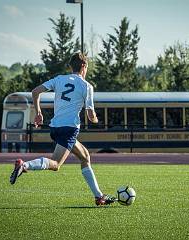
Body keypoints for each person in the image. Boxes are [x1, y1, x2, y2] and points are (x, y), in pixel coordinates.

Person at [9, 52, 116, 206]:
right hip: (69, 129)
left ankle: (99, 196)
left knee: (85, 157)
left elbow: (35, 92)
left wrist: (38, 113)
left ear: (70, 66)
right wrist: (96, 120)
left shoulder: (59, 79)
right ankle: (24, 165)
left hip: (55, 127)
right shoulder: (86, 86)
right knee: (56, 164)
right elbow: (91, 115)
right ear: (84, 66)